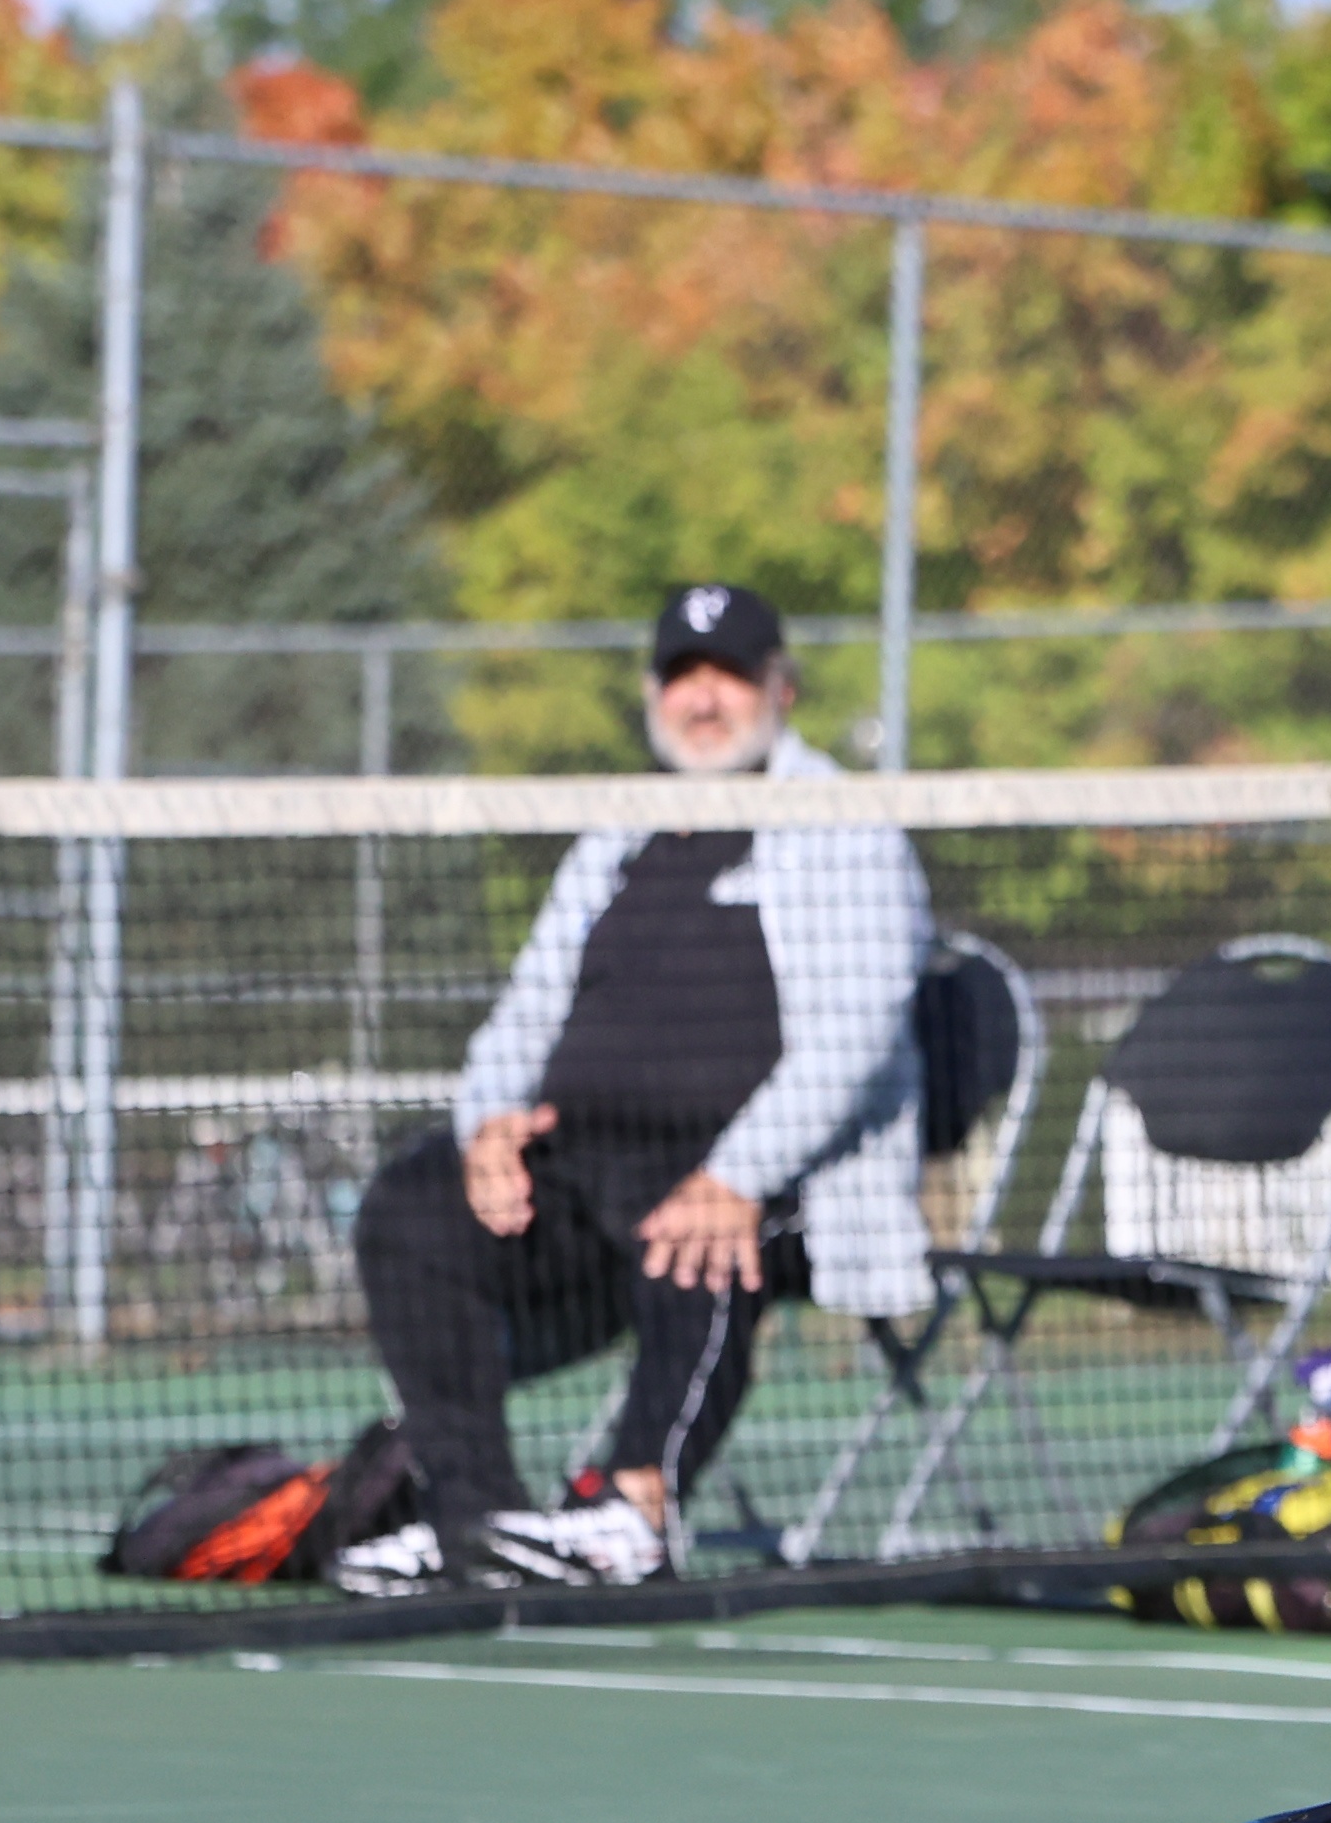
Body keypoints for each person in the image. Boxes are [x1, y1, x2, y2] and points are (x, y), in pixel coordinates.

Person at [330, 583, 933, 1592]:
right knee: (409, 1205)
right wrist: (485, 1131)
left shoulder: (844, 827)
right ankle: (478, 1519)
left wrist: (740, 1172)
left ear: (780, 691)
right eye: (681, 676)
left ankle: (633, 1509)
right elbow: (526, 1011)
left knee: (692, 1232)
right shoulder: (615, 834)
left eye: (728, 676)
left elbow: (859, 1030)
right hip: (572, 1176)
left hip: (754, 1179)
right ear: (654, 696)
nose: (703, 700)